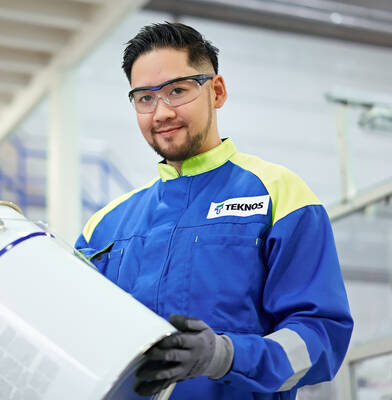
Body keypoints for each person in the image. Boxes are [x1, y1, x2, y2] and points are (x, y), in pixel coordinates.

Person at [74, 22, 353, 399]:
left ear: (216, 91)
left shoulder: (279, 195)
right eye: (145, 98)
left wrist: (226, 356)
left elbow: (322, 339)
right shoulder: (103, 227)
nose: (161, 113)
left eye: (177, 91)